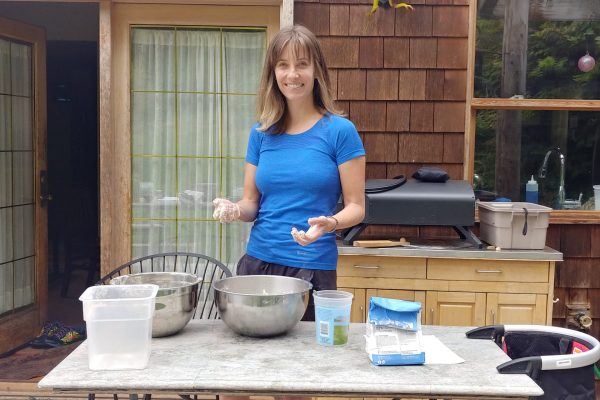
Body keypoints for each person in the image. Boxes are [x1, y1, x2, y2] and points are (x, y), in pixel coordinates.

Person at [213, 24, 366, 322]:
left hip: (311, 269)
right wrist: (234, 209)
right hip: (257, 265)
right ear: (273, 73)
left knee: (306, 362)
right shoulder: (261, 133)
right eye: (283, 65)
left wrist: (331, 222)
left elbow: (357, 207)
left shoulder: (340, 132)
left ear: (317, 70)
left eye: (302, 65)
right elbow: (250, 203)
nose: (292, 75)